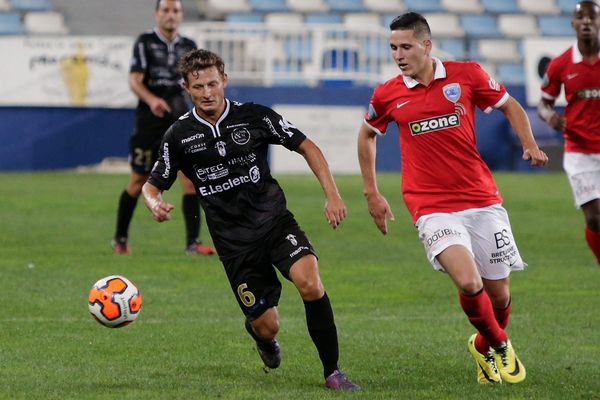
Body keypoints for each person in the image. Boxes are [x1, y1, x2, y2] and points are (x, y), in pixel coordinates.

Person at [141, 49, 360, 391]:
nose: (207, 92)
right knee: (267, 325)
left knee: (311, 283)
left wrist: (332, 194)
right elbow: (151, 185)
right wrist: (154, 203)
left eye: (213, 83)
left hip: (275, 222)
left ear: (225, 81)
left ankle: (332, 372)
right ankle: (262, 337)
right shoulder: (179, 135)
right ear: (187, 87)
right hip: (235, 245)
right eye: (198, 86)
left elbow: (308, 147)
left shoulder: (255, 116)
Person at [357, 12, 548, 385]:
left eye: (406, 47)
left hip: (481, 198)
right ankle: (502, 345)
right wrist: (372, 193)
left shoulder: (468, 75)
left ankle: (482, 344)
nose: (398, 55)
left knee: (500, 295)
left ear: (426, 46)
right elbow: (365, 135)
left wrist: (529, 143)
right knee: (468, 282)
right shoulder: (387, 93)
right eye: (393, 47)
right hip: (430, 206)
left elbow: (510, 105)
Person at [111, 0, 215, 256]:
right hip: (150, 124)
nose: (171, 15)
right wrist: (152, 100)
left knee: (191, 181)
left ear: (180, 15)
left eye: (176, 11)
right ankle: (120, 239)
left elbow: (197, 83)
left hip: (182, 124)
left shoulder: (188, 46)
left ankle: (192, 243)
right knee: (138, 181)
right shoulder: (145, 42)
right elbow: (134, 80)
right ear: (157, 14)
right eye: (166, 10)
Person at [538, 0, 600, 265]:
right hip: (579, 151)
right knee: (595, 216)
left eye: (592, 17)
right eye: (581, 18)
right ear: (573, 24)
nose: (586, 22)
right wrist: (549, 116)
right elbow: (544, 103)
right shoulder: (561, 64)